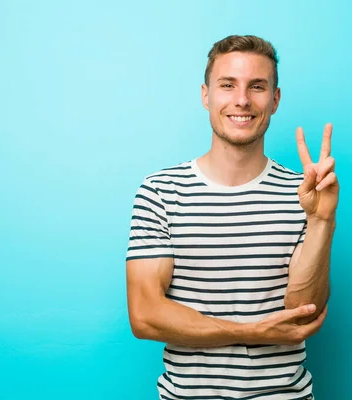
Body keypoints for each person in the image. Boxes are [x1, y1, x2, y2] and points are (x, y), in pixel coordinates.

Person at [125, 34, 339, 400]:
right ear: (206, 95)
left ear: (275, 100)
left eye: (257, 86)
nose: (242, 100)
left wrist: (321, 221)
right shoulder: (160, 191)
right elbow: (145, 315)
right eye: (228, 85)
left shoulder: (304, 193)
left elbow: (303, 316)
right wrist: (249, 332)